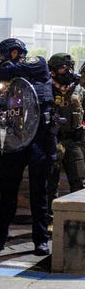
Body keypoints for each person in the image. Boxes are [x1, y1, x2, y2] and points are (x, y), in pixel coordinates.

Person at [0, 38, 57, 256]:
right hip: (15, 140)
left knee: (39, 194)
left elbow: (32, 66)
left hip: (39, 140)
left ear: (15, 53)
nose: (0, 60)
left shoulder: (37, 63)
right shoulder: (6, 79)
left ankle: (41, 240)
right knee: (7, 194)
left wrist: (10, 68)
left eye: (4, 54)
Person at [47, 53, 85, 215]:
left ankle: (77, 217)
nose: (68, 71)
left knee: (79, 181)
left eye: (70, 67)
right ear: (54, 71)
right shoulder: (47, 88)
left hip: (73, 140)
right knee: (51, 183)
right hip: (54, 140)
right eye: (63, 68)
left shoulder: (79, 88)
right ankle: (50, 218)